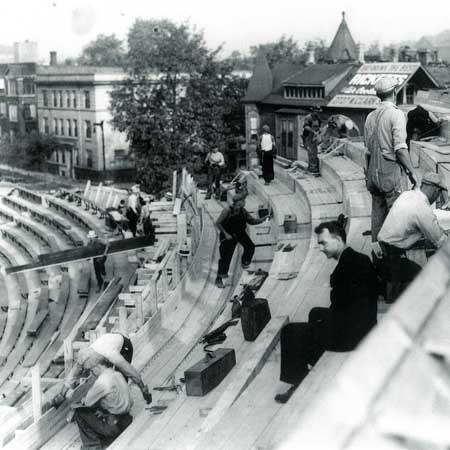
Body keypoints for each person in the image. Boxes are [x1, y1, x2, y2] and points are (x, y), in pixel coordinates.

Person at [275, 218, 378, 403]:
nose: (320, 248)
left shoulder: (342, 270)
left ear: (338, 240)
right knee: (315, 313)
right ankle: (313, 363)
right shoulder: (360, 259)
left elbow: (340, 311)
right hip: (367, 326)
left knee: (290, 332)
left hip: (351, 335)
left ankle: (299, 384)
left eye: (323, 243)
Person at [364, 76, 420, 243]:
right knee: (395, 221)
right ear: (395, 92)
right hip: (389, 173)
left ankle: (378, 255)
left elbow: (367, 150)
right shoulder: (396, 114)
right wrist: (412, 172)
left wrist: (368, 175)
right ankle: (393, 261)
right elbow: (400, 149)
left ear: (378, 95)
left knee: (378, 219)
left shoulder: (370, 117)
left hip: (372, 175)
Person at [377, 171, 448, 302]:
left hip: (385, 246)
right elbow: (441, 241)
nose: (437, 197)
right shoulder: (422, 208)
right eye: (439, 193)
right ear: (435, 190)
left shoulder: (407, 195)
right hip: (395, 256)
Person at [59, 332, 152, 404]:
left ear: (97, 363)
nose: (91, 372)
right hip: (108, 343)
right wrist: (61, 395)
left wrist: (144, 390)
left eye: (91, 369)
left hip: (125, 346)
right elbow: (73, 375)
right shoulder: (85, 355)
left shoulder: (111, 354)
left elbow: (131, 372)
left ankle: (121, 406)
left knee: (121, 378)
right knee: (104, 377)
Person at [72, 357, 133, 450]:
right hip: (126, 420)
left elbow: (87, 402)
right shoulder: (118, 374)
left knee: (79, 413)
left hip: (114, 427)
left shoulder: (102, 380)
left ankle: (92, 446)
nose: (92, 373)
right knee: (102, 403)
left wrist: (84, 399)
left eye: (92, 370)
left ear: (97, 366)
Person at [215, 195, 270, 288]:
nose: (245, 202)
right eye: (243, 201)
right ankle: (219, 278)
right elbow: (218, 223)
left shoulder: (243, 211)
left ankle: (245, 261)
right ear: (238, 202)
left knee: (250, 246)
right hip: (228, 235)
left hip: (240, 232)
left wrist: (262, 219)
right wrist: (226, 234)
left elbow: (251, 221)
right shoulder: (227, 211)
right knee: (225, 257)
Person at [302, 111, 322, 177]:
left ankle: (313, 168)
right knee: (311, 152)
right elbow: (305, 127)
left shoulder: (318, 118)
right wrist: (313, 131)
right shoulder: (308, 118)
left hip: (314, 136)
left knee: (314, 152)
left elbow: (319, 127)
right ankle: (312, 169)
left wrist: (318, 131)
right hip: (308, 136)